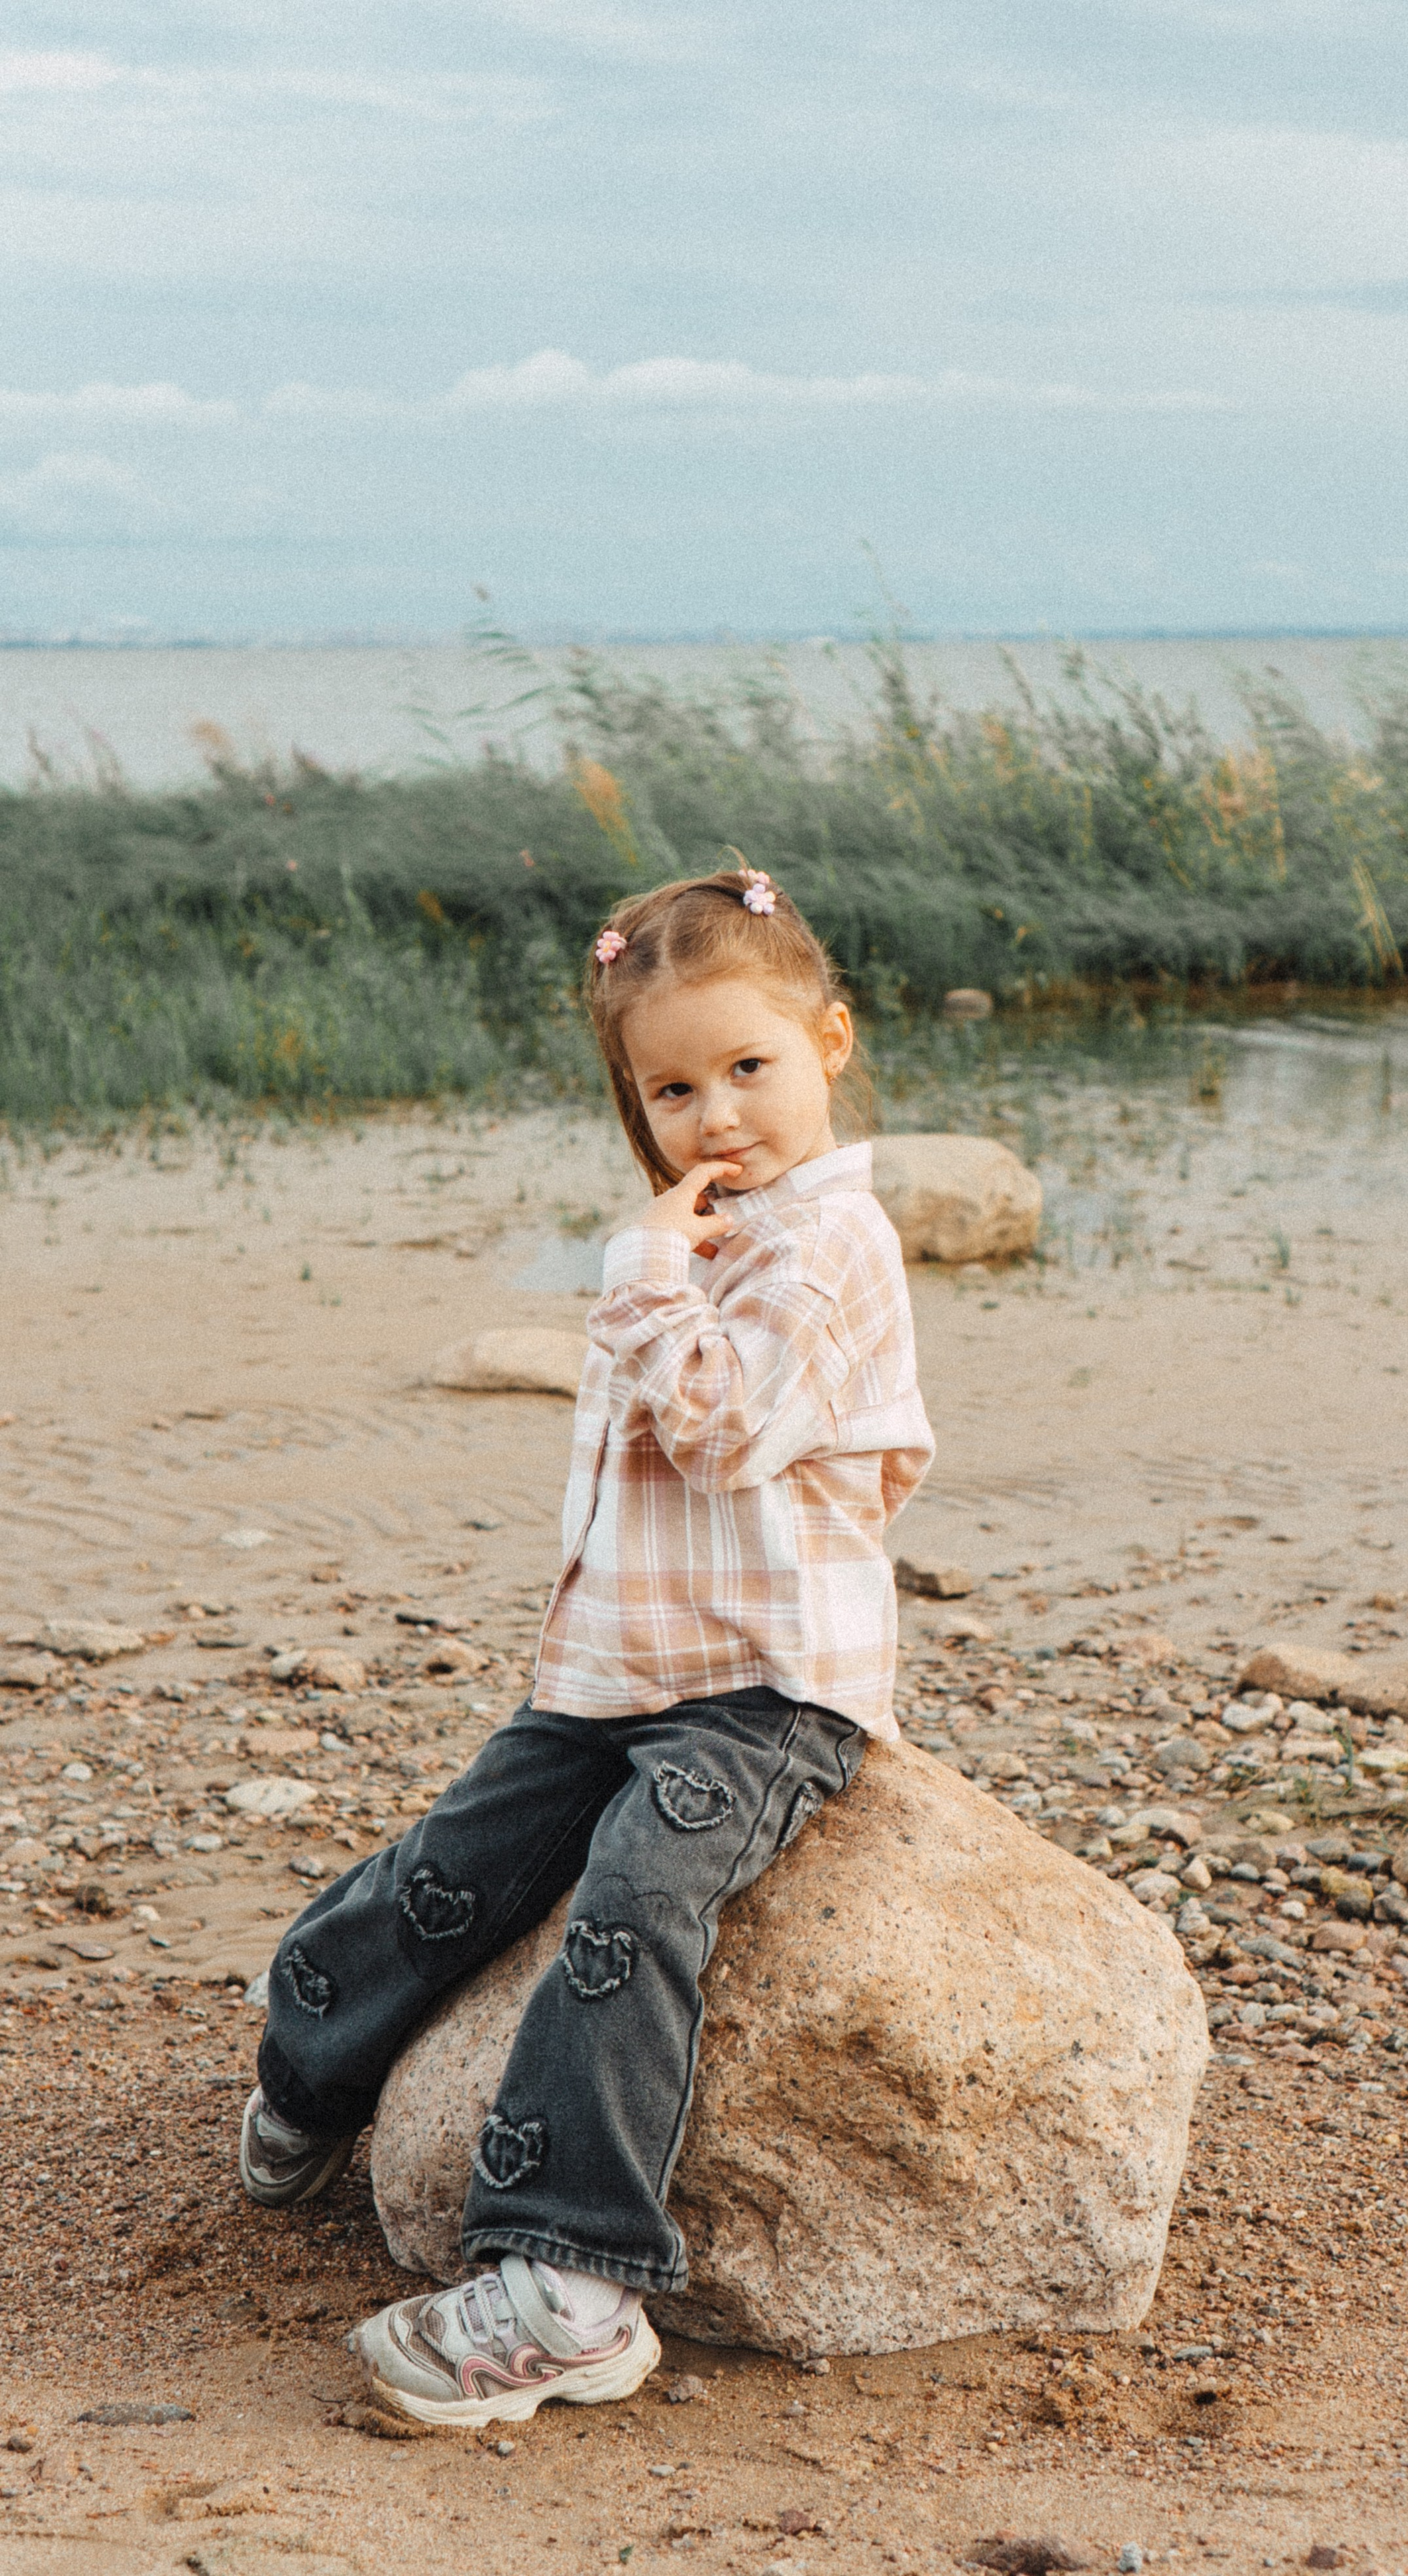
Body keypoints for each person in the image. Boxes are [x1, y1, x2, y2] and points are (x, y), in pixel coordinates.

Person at [237, 862, 934, 2428]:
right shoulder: (711, 1237)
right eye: (671, 1085)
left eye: (747, 1068)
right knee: (457, 1857)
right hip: (620, 1675)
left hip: (762, 1693)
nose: (715, 1115)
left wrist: (633, 1283)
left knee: (632, 1902)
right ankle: (312, 2062)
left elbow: (720, 1436)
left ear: (830, 1040)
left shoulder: (829, 1245)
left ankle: (573, 2285)